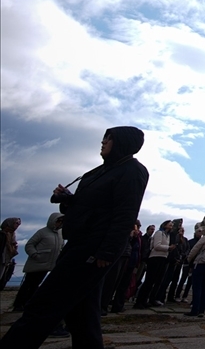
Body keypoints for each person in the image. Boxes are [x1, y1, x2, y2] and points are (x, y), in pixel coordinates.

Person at [0, 126, 149, 349]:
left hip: (93, 248)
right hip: (79, 243)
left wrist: (107, 251)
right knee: (82, 314)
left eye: (109, 139)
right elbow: (90, 206)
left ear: (123, 143)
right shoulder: (98, 171)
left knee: (44, 304)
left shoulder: (132, 171)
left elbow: (125, 214)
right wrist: (67, 198)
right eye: (104, 138)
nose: (103, 142)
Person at [11, 213, 63, 312]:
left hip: (49, 264)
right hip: (36, 263)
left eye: (61, 221)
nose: (60, 223)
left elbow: (61, 247)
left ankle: (29, 304)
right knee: (28, 284)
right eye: (58, 221)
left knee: (36, 285)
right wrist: (35, 255)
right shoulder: (42, 232)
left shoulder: (60, 234)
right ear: (53, 221)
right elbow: (29, 245)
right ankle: (19, 304)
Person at [133, 219, 175, 308]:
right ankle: (140, 301)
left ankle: (148, 300)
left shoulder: (167, 235)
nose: (171, 226)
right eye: (169, 224)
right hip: (155, 258)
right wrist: (168, 248)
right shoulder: (159, 233)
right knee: (149, 280)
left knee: (157, 280)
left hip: (163, 258)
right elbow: (157, 245)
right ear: (165, 225)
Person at [0, 217, 21, 291]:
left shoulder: (12, 235)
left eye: (19, 224)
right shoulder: (2, 235)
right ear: (9, 223)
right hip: (2, 259)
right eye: (16, 223)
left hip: (7, 260)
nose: (18, 225)